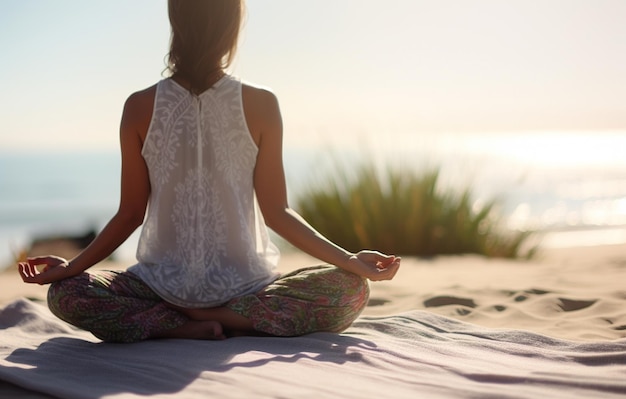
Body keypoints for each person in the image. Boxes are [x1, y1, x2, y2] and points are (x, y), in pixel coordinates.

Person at [17, 0, 400, 342]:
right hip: (228, 291)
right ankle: (217, 320)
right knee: (350, 290)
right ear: (232, 26)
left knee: (67, 294)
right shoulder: (261, 104)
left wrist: (75, 266)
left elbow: (130, 214)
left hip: (190, 287)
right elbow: (278, 214)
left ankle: (182, 322)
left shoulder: (138, 106)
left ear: (175, 20)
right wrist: (350, 261)